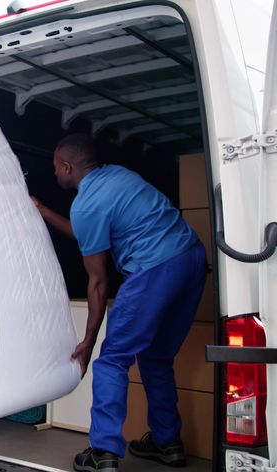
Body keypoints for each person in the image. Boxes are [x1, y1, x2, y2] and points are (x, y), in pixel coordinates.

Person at [33, 134, 206, 472]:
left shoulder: (86, 204)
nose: (54, 174)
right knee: (156, 357)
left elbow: (98, 283)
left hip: (153, 268)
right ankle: (167, 442)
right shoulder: (119, 176)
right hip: (191, 260)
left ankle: (103, 452)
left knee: (112, 360)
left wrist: (88, 342)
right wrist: (41, 210)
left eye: (55, 167)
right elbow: (87, 230)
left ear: (67, 167)